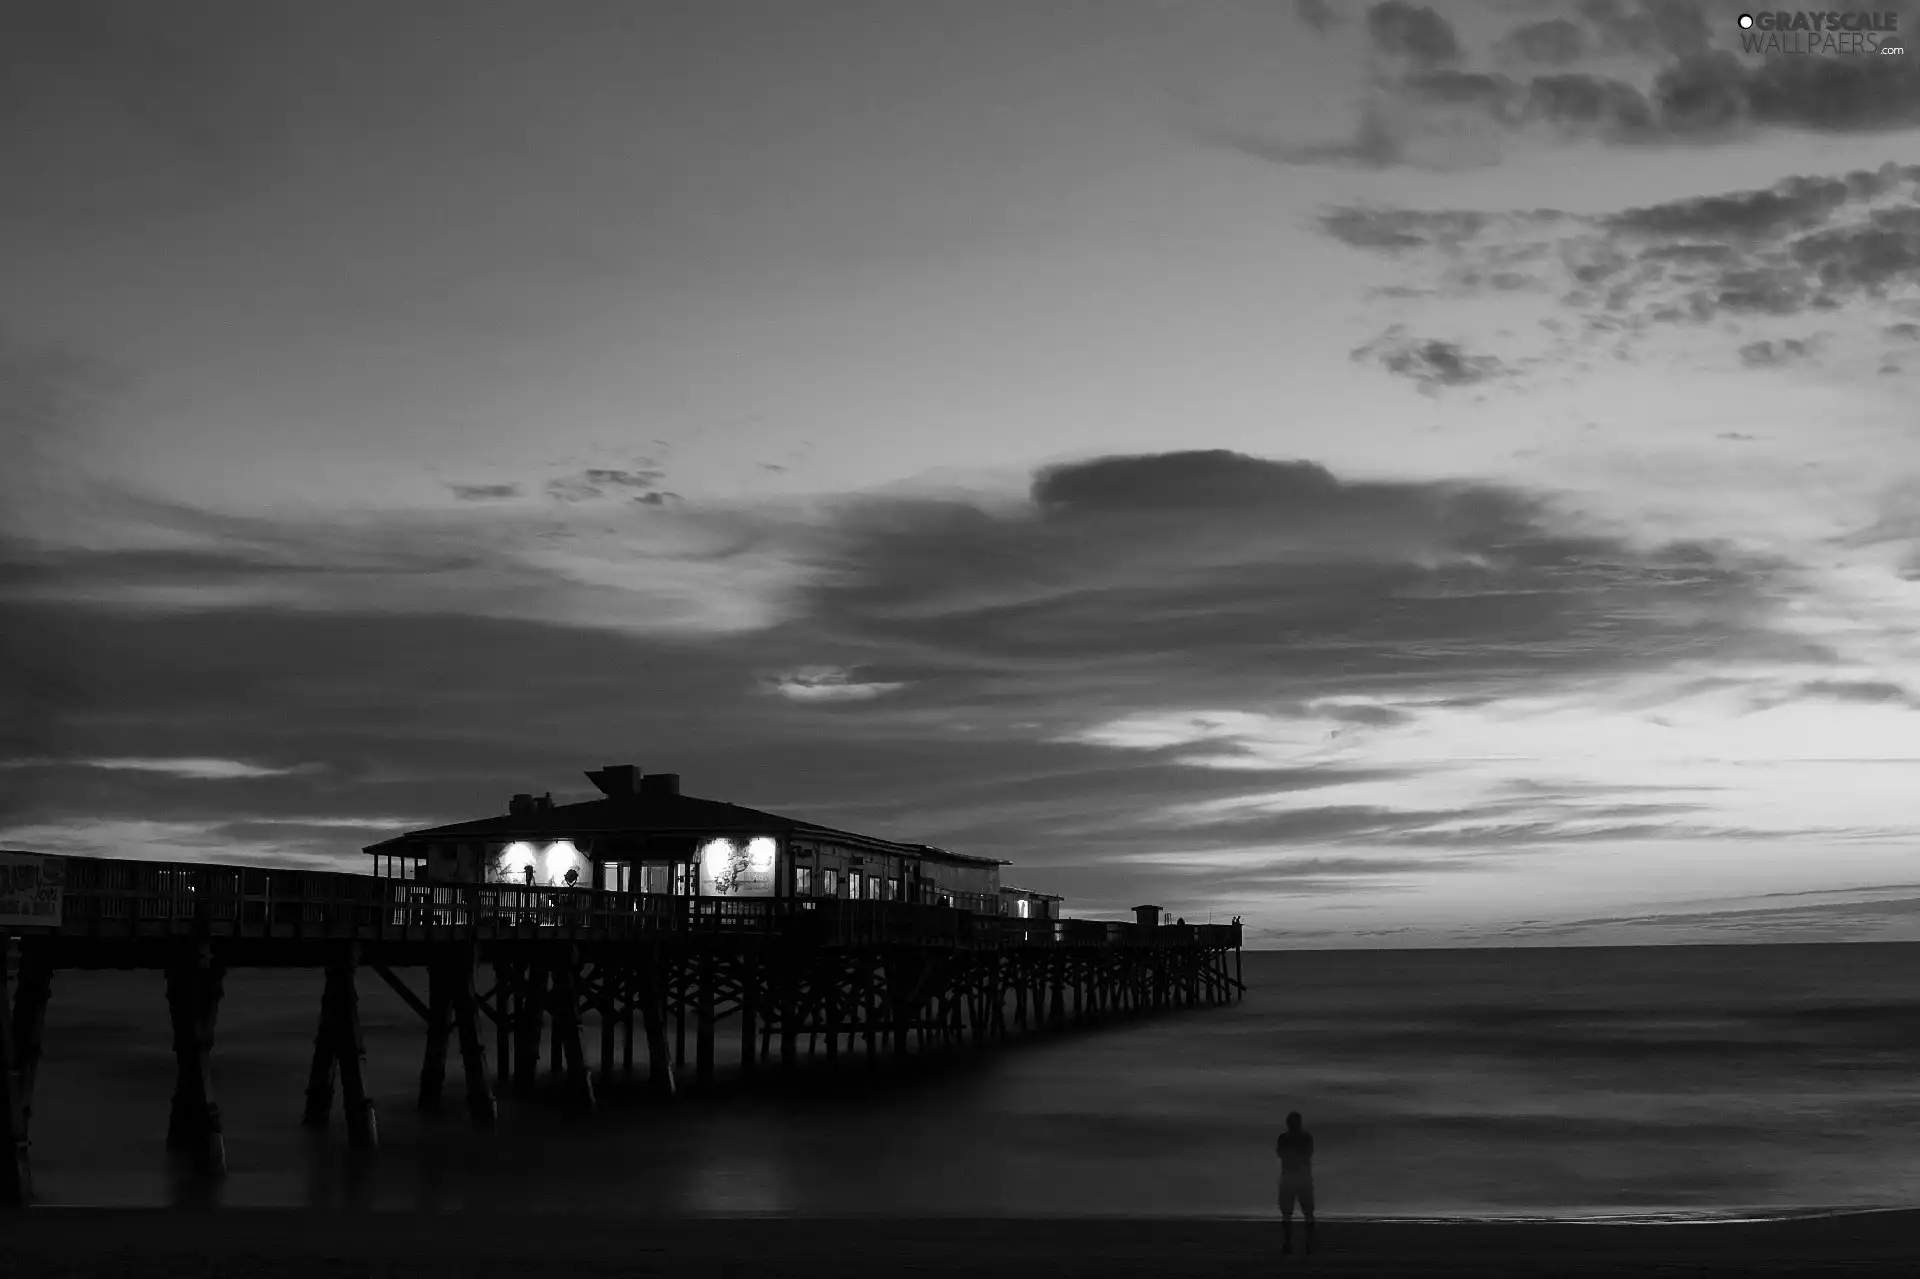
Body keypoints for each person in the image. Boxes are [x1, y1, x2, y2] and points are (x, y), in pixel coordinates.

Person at [1275, 1111, 1316, 1256]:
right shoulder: (1306, 1138)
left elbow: (1280, 1153)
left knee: (1287, 1214)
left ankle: (1288, 1244)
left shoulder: (1284, 1138)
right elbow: (1308, 1154)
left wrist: (1291, 1157)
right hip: (1303, 1177)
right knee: (1308, 1213)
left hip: (1289, 1177)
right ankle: (1309, 1244)